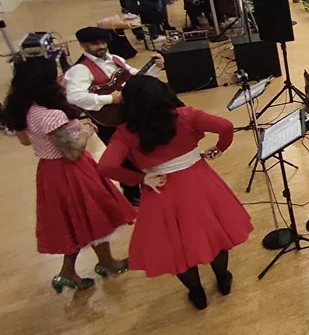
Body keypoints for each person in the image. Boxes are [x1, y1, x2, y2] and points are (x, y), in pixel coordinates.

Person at [98, 76, 252, 310]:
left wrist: (140, 178)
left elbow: (106, 166)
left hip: (161, 189)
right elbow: (226, 127)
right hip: (199, 182)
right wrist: (220, 148)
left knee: (177, 246)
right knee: (214, 233)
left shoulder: (126, 132)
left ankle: (197, 293)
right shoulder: (186, 115)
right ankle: (223, 279)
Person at [3, 57, 135, 293]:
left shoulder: (25, 110)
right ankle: (105, 263)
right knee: (93, 215)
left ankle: (76, 270)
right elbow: (72, 152)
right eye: (57, 76)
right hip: (72, 171)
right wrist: (86, 131)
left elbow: (25, 141)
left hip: (48, 171)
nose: (62, 79)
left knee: (75, 220)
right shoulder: (51, 115)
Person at [65, 27, 163, 205]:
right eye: (95, 44)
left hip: (128, 114)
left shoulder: (117, 60)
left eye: (103, 42)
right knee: (122, 158)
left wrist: (156, 67)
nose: (101, 46)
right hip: (107, 120)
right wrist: (109, 98)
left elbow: (137, 80)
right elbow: (74, 96)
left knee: (141, 150)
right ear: (83, 45)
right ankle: (132, 195)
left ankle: (149, 186)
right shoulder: (80, 70)